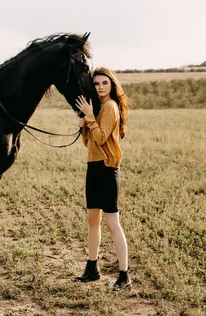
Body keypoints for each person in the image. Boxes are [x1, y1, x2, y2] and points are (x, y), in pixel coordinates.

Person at [74, 67, 131, 290]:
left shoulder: (110, 107)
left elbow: (101, 136)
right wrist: (84, 126)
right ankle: (92, 268)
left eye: (104, 83)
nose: (99, 87)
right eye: (96, 84)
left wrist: (90, 117)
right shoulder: (99, 108)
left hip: (107, 169)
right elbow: (91, 143)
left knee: (111, 223)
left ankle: (124, 275)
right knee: (92, 221)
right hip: (94, 168)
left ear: (112, 85)